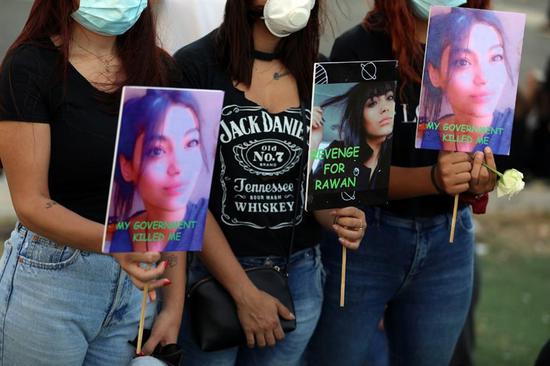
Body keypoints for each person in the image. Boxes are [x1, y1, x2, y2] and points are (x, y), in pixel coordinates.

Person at [174, 0, 366, 365]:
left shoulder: (324, 74)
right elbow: (185, 199)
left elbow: (321, 191)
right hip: (213, 280)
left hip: (300, 278)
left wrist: (342, 218)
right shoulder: (193, 67)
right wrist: (244, 293)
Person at [306, 1, 497, 365]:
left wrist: (480, 177)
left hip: (449, 241)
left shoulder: (482, 50)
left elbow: (490, 156)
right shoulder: (358, 47)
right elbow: (341, 174)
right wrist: (432, 179)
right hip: (363, 243)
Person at [0, 0, 185, 364]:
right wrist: (115, 242)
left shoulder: (161, 70)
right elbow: (31, 204)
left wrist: (172, 308)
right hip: (50, 283)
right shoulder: (29, 67)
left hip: (135, 287)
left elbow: (173, 204)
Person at [107, 89, 210, 253]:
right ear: (126, 167)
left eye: (191, 143)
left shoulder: (204, 222)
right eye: (157, 151)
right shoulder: (122, 235)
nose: (178, 167)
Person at [418, 7, 517, 155]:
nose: (483, 78)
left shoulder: (512, 131)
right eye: (463, 62)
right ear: (435, 74)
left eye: (496, 57)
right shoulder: (425, 136)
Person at [309, 81, 396, 208]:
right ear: (359, 116)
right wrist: (313, 143)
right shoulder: (337, 150)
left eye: (390, 98)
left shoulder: (395, 152)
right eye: (372, 103)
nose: (385, 108)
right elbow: (314, 198)